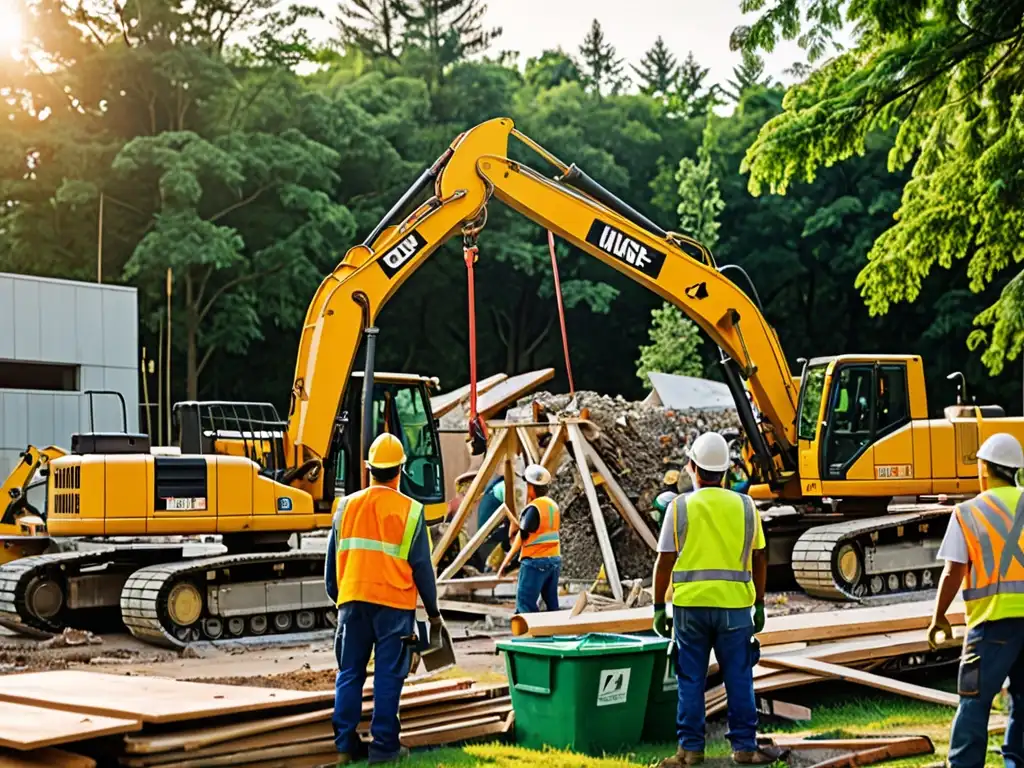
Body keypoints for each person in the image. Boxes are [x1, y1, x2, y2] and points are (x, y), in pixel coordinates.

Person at [652, 431, 772, 767]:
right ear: (726, 471)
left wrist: (659, 606)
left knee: (690, 680)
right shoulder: (747, 506)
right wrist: (759, 602)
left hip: (690, 610)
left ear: (692, 467)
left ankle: (690, 751)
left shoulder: (679, 508)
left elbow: (664, 561)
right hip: (735, 609)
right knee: (739, 677)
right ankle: (745, 748)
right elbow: (760, 556)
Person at [324, 432, 443, 765]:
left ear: (369, 468)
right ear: (401, 469)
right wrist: (433, 614)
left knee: (349, 673)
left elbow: (332, 564)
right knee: (389, 677)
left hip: (352, 604)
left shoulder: (345, 506)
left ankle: (345, 746)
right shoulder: (412, 512)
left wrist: (340, 599)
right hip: (395, 609)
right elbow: (423, 569)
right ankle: (384, 749)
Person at [929, 432, 1024, 768]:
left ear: (984, 469)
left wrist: (938, 616)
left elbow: (953, 572)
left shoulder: (968, 512)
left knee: (974, 702)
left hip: (991, 626)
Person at [499, 464, 561, 614]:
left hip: (535, 561)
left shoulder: (533, 508)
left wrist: (506, 564)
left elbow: (522, 537)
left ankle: (528, 635)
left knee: (525, 604)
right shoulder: (553, 506)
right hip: (554, 560)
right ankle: (554, 633)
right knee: (552, 603)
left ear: (531, 488)